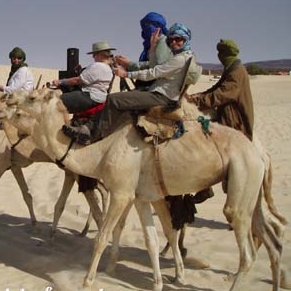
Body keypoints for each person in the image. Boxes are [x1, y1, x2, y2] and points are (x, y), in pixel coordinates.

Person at [63, 23, 195, 144]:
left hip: (161, 96)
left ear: (185, 39)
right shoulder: (178, 56)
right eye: (171, 40)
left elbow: (153, 72)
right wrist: (153, 48)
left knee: (114, 100)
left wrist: (127, 74)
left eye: (178, 39)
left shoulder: (180, 59)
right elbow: (154, 66)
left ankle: (91, 134)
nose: (173, 42)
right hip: (158, 92)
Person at [187, 39, 254, 202]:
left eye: (221, 53)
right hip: (227, 118)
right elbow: (215, 89)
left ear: (226, 54)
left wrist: (197, 102)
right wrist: (196, 98)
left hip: (235, 124)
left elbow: (222, 94)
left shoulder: (236, 71)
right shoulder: (231, 69)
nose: (218, 57)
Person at [51, 41, 114, 114]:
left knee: (55, 101)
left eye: (94, 54)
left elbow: (78, 80)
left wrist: (60, 81)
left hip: (90, 96)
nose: (93, 57)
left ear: (100, 54)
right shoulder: (109, 68)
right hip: (100, 97)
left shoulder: (98, 66)